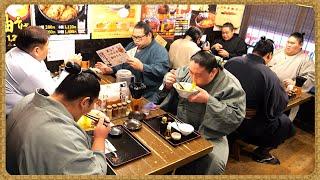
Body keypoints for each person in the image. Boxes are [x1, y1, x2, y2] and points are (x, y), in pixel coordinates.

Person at [6, 62, 111, 175]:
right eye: (93, 104)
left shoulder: (28, 99)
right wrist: (100, 138)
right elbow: (97, 174)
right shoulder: (66, 138)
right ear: (85, 102)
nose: (91, 109)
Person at [163, 51, 246, 174]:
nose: (193, 79)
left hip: (211, 133)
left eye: (198, 75)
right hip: (180, 123)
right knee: (160, 151)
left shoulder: (230, 85)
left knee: (214, 164)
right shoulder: (191, 69)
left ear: (213, 72)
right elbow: (175, 75)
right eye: (191, 73)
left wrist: (209, 100)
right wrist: (167, 83)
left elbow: (235, 116)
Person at [224, 37, 296, 164]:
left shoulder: (232, 61)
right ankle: (261, 153)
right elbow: (281, 103)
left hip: (223, 112)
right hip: (245, 123)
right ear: (269, 55)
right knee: (285, 123)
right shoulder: (269, 75)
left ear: (254, 50)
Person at [95, 21, 169, 102]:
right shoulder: (131, 46)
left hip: (148, 94)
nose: (136, 41)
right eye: (134, 37)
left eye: (139, 37)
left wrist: (142, 67)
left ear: (149, 35)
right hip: (127, 89)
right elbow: (121, 62)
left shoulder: (159, 50)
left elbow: (162, 70)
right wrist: (110, 69)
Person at [5, 26, 68, 115]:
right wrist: (68, 70)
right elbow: (54, 97)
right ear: (37, 50)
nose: (49, 49)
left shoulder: (19, 51)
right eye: (47, 45)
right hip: (13, 118)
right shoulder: (27, 68)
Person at [267, 32, 315, 120]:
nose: (288, 45)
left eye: (292, 43)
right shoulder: (277, 52)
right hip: (268, 90)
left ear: (300, 45)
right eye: (288, 42)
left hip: (287, 96)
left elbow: (311, 78)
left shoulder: (305, 59)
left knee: (279, 123)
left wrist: (295, 83)